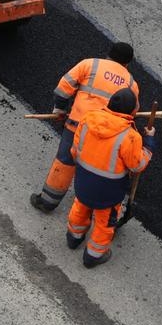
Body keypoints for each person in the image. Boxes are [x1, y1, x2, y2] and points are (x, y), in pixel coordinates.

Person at [30, 42, 139, 213]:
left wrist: (59, 110)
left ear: (108, 54)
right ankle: (94, 208)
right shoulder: (132, 84)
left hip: (77, 126)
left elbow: (63, 89)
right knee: (96, 168)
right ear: (128, 63)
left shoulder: (90, 64)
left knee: (65, 162)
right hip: (108, 136)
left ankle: (47, 202)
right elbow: (131, 113)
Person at [65, 88, 154, 268]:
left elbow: (75, 150)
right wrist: (149, 144)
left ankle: (74, 238)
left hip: (83, 183)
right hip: (109, 192)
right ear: (131, 112)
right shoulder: (130, 136)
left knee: (80, 208)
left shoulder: (88, 119)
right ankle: (93, 256)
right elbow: (137, 166)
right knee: (104, 223)